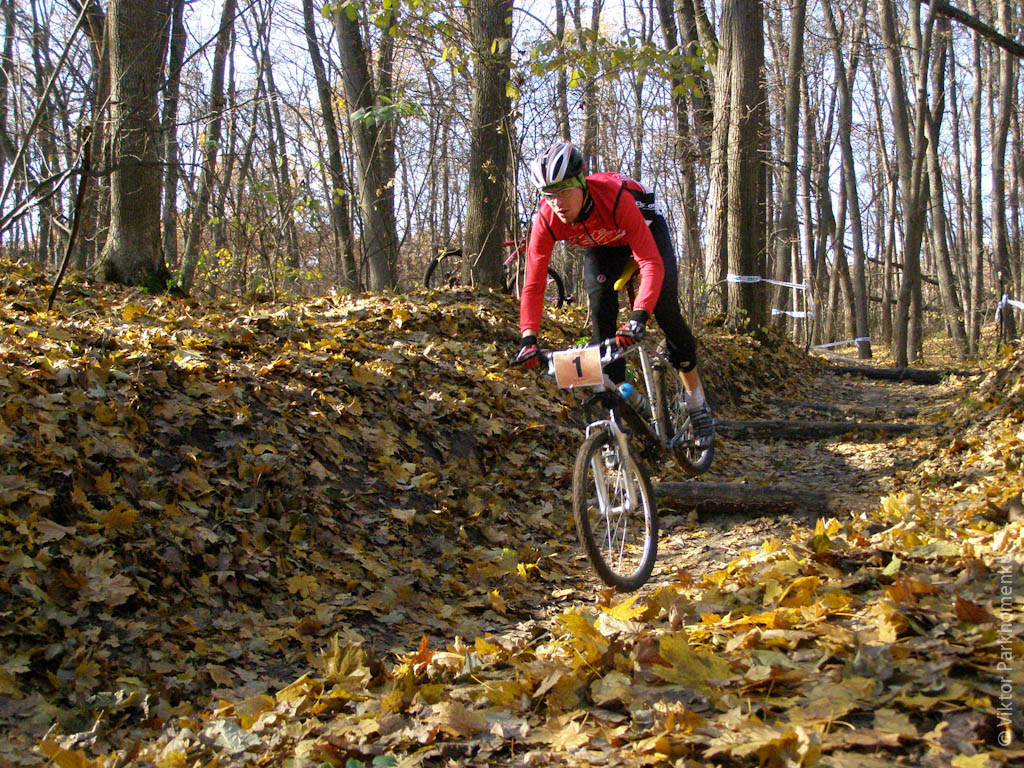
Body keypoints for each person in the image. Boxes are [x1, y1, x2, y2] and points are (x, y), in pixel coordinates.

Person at [514, 141, 713, 445]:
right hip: (603, 246)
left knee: (665, 311)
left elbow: (651, 263)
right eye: (548, 194)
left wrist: (638, 316)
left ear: (582, 182)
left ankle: (697, 403)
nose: (556, 202)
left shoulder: (615, 198)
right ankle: (622, 409)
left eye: (564, 191)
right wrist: (528, 338)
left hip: (644, 230)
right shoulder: (546, 219)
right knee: (601, 320)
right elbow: (534, 284)